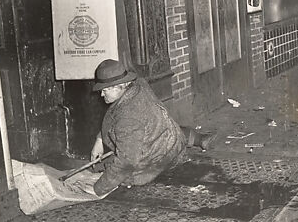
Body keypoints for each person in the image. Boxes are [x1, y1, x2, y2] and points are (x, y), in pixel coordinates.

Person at [90, 59, 214, 196]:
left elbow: (126, 163)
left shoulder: (128, 117)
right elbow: (115, 120)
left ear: (120, 85)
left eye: (105, 90)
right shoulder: (138, 84)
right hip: (171, 138)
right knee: (164, 128)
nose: (102, 94)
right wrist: (99, 140)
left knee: (119, 171)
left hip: (159, 160)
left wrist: (97, 189)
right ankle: (198, 138)